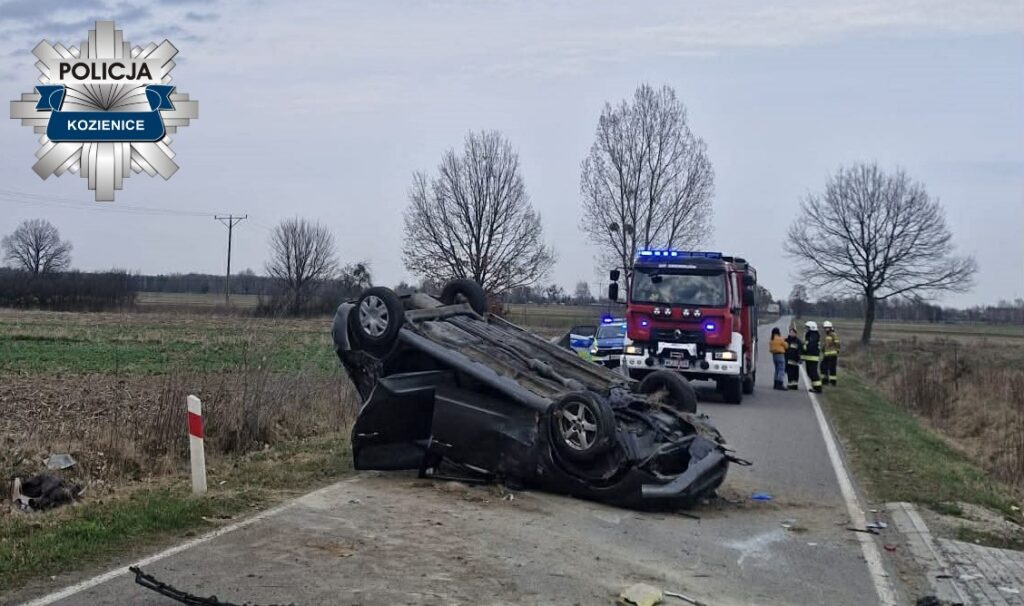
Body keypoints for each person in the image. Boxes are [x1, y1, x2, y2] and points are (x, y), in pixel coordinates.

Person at [802, 320, 823, 393]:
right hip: (809, 357)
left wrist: (804, 347)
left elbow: (810, 346)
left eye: (807, 328)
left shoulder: (813, 336)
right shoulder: (810, 335)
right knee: (810, 373)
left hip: (812, 357)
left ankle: (818, 388)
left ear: (811, 328)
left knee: (813, 373)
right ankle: (815, 387)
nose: (806, 329)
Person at [821, 320, 840, 386]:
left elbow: (837, 343)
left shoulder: (833, 334)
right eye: (825, 328)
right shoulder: (827, 335)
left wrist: (837, 350)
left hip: (832, 354)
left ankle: (833, 382)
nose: (826, 329)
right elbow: (826, 344)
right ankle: (825, 380)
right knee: (823, 367)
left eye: (827, 327)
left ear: (830, 327)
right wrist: (823, 348)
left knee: (832, 368)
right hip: (827, 354)